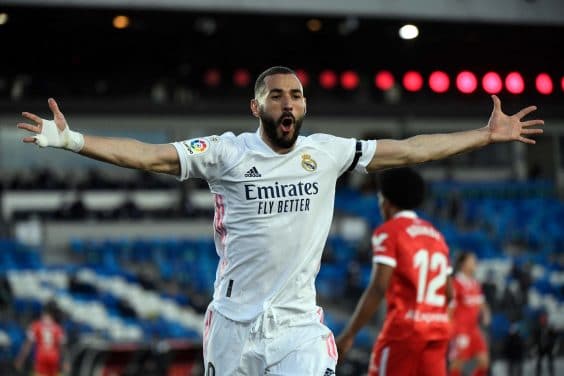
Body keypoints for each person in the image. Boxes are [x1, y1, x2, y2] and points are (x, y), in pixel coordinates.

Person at [17, 66, 543, 374]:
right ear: (256, 107)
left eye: (295, 95)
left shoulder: (328, 152)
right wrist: (72, 140)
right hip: (231, 327)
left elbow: (410, 150)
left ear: (305, 105)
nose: (287, 102)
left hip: (298, 330)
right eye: (276, 95)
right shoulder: (225, 153)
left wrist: (484, 135)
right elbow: (150, 156)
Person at [336, 168, 453, 376]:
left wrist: (349, 334)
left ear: (387, 201)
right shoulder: (437, 236)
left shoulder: (389, 232)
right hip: (437, 332)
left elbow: (379, 287)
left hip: (404, 333)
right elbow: (450, 293)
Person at [449, 252, 491, 376]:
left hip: (473, 329)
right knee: (457, 363)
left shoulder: (475, 283)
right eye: (472, 260)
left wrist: (486, 313)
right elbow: (450, 308)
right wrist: (451, 330)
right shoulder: (455, 283)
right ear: (463, 264)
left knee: (484, 361)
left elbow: (481, 302)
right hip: (460, 329)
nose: (475, 263)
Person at [15, 300, 67, 376]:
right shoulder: (58, 328)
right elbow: (63, 347)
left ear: (44, 312)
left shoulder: (36, 325)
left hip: (41, 358)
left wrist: (20, 359)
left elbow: (28, 344)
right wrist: (66, 362)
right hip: (54, 359)